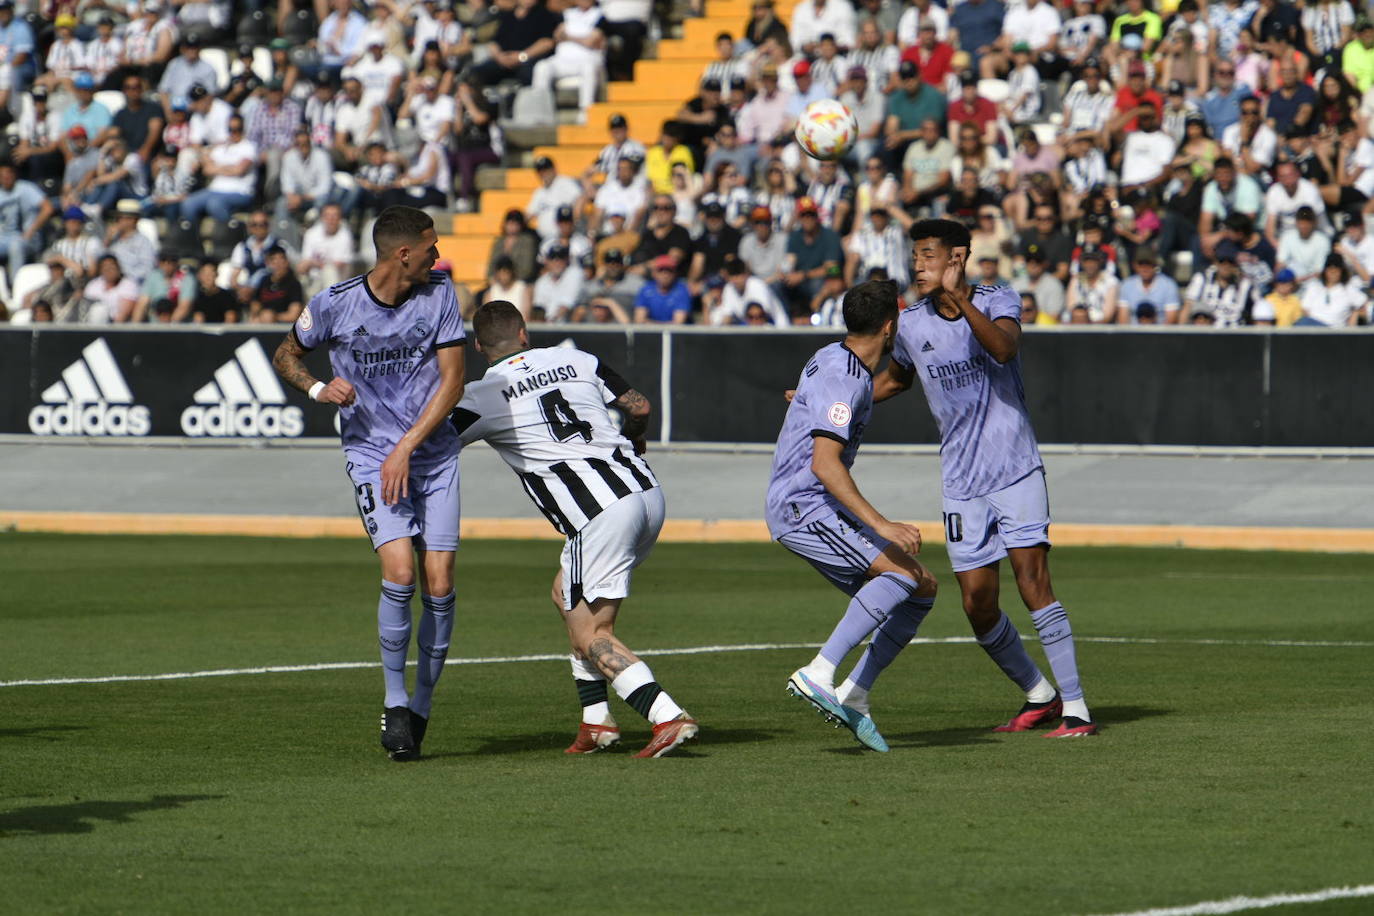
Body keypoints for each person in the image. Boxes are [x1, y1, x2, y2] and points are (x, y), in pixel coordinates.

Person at [873, 218, 1097, 737]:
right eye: (915, 256)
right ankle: (1039, 695)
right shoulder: (910, 324)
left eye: (928, 254)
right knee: (977, 601)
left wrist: (959, 298)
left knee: (1033, 582)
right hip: (961, 480)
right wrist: (835, 401)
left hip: (1015, 468)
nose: (917, 264)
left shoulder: (999, 298)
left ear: (958, 257)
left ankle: (1078, 708)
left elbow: (1003, 348)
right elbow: (896, 379)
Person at [449, 300, 697, 758]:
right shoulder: (576, 358)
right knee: (565, 591)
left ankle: (666, 715)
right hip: (646, 492)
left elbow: (438, 442)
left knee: (593, 632)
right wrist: (637, 434)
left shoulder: (481, 393)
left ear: (480, 347)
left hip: (597, 512)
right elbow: (638, 405)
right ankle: (596, 722)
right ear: (524, 332)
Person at [272, 207, 466, 761]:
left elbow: (453, 383)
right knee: (401, 572)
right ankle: (396, 701)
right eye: (431, 245)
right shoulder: (335, 304)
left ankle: (422, 708)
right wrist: (315, 389)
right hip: (369, 454)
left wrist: (407, 447)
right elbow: (286, 352)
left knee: (440, 581)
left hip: (430, 455)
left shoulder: (441, 295)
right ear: (404, 253)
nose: (438, 252)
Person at [770, 279, 939, 751]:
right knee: (902, 576)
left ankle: (856, 693)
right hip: (804, 505)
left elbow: (839, 397)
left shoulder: (837, 360)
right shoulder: (843, 377)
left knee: (922, 586)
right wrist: (883, 524)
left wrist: (806, 402)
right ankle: (819, 671)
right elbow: (824, 465)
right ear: (890, 327)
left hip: (811, 502)